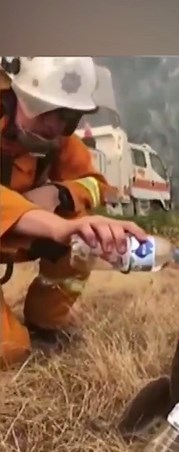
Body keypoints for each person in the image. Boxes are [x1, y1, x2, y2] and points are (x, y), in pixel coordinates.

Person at [0, 56, 147, 367]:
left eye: (70, 117)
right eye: (50, 111)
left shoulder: (59, 140)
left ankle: (46, 325)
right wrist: (52, 226)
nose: (57, 127)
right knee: (8, 350)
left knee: (82, 232)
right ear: (22, 94)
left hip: (10, 238)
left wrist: (61, 193)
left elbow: (95, 183)